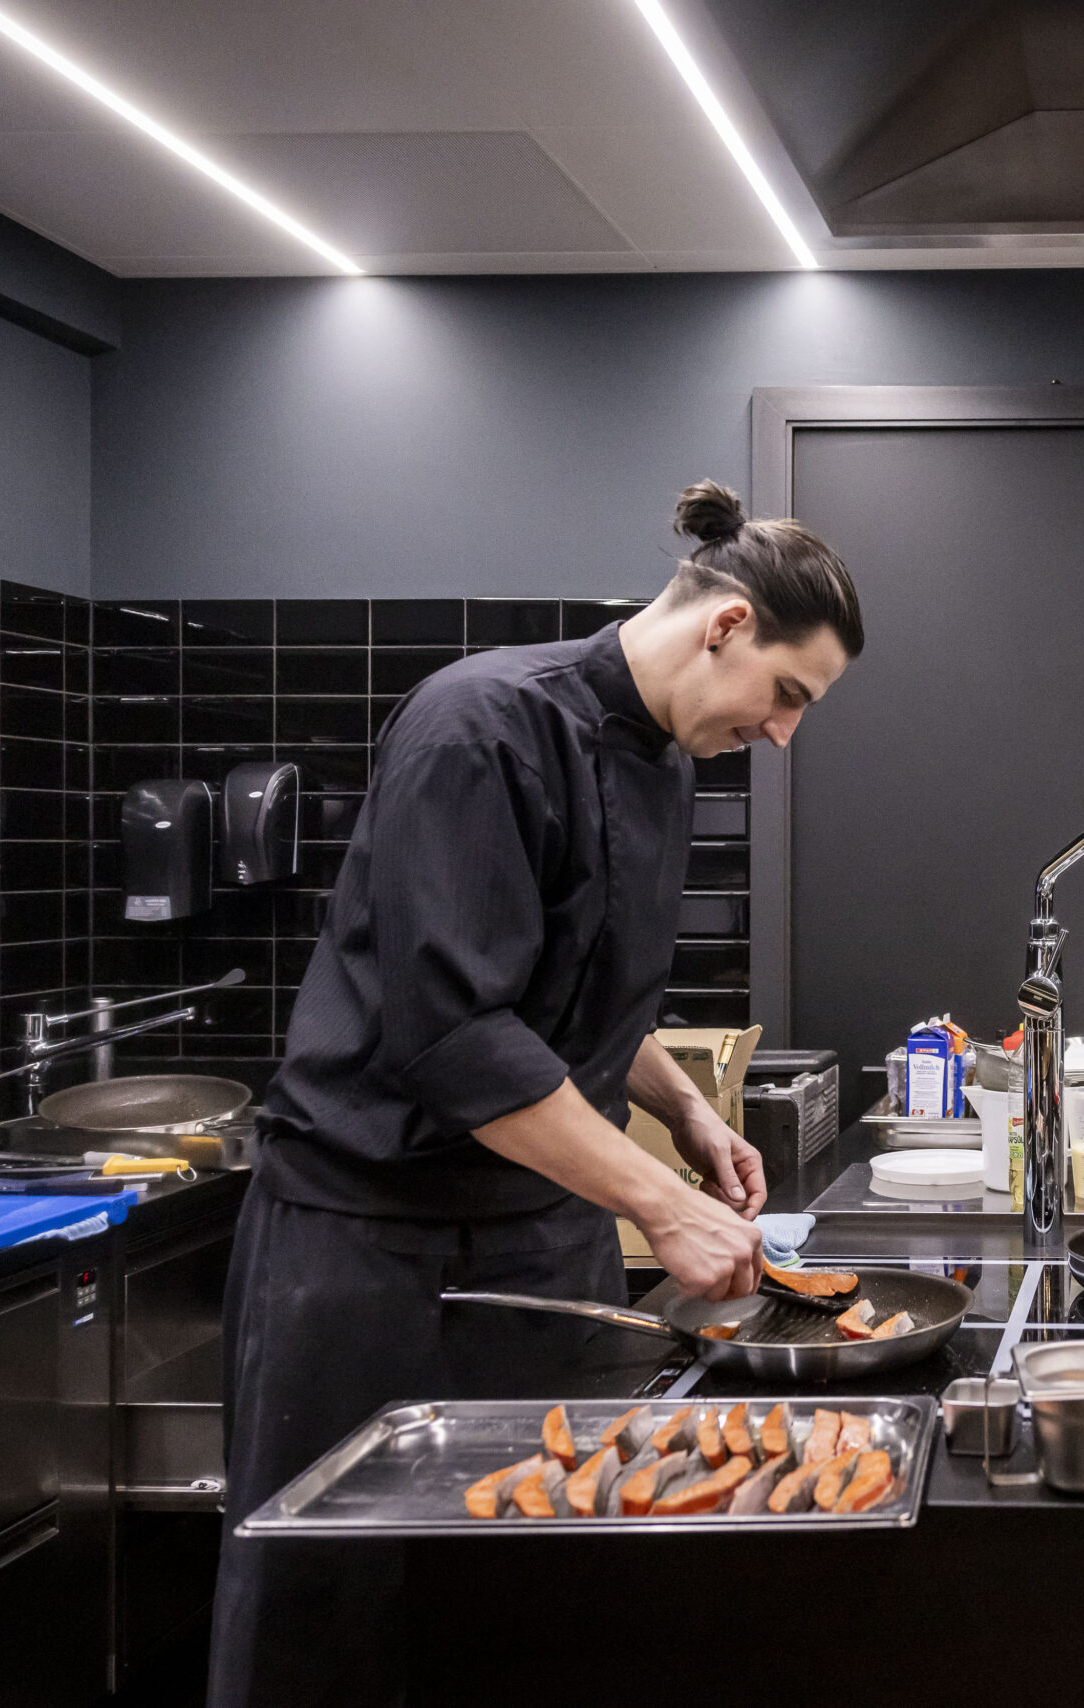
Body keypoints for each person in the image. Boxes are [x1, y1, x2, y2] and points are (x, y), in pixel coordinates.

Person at [208, 481, 862, 1705]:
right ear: (726, 625)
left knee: (546, 1589)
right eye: (787, 694)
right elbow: (458, 1037)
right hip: (371, 1245)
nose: (782, 734)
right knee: (335, 1607)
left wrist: (686, 1109)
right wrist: (662, 1204)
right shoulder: (480, 726)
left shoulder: (667, 758)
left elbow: (574, 990)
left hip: (542, 1239)